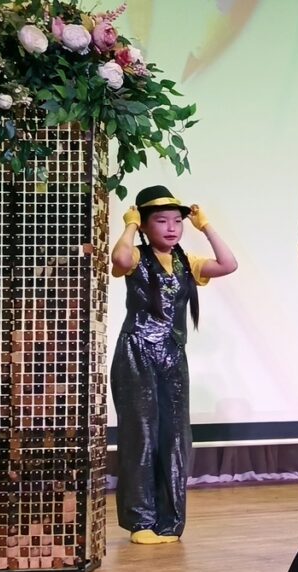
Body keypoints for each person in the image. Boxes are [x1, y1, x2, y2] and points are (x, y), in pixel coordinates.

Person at [110, 185, 238, 544]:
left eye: (177, 221)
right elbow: (119, 259)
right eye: (161, 221)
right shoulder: (137, 256)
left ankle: (169, 520)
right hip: (137, 353)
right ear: (145, 225)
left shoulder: (186, 261)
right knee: (141, 436)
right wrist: (130, 224)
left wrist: (205, 225)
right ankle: (140, 522)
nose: (171, 228)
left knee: (174, 436)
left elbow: (228, 263)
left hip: (172, 355)